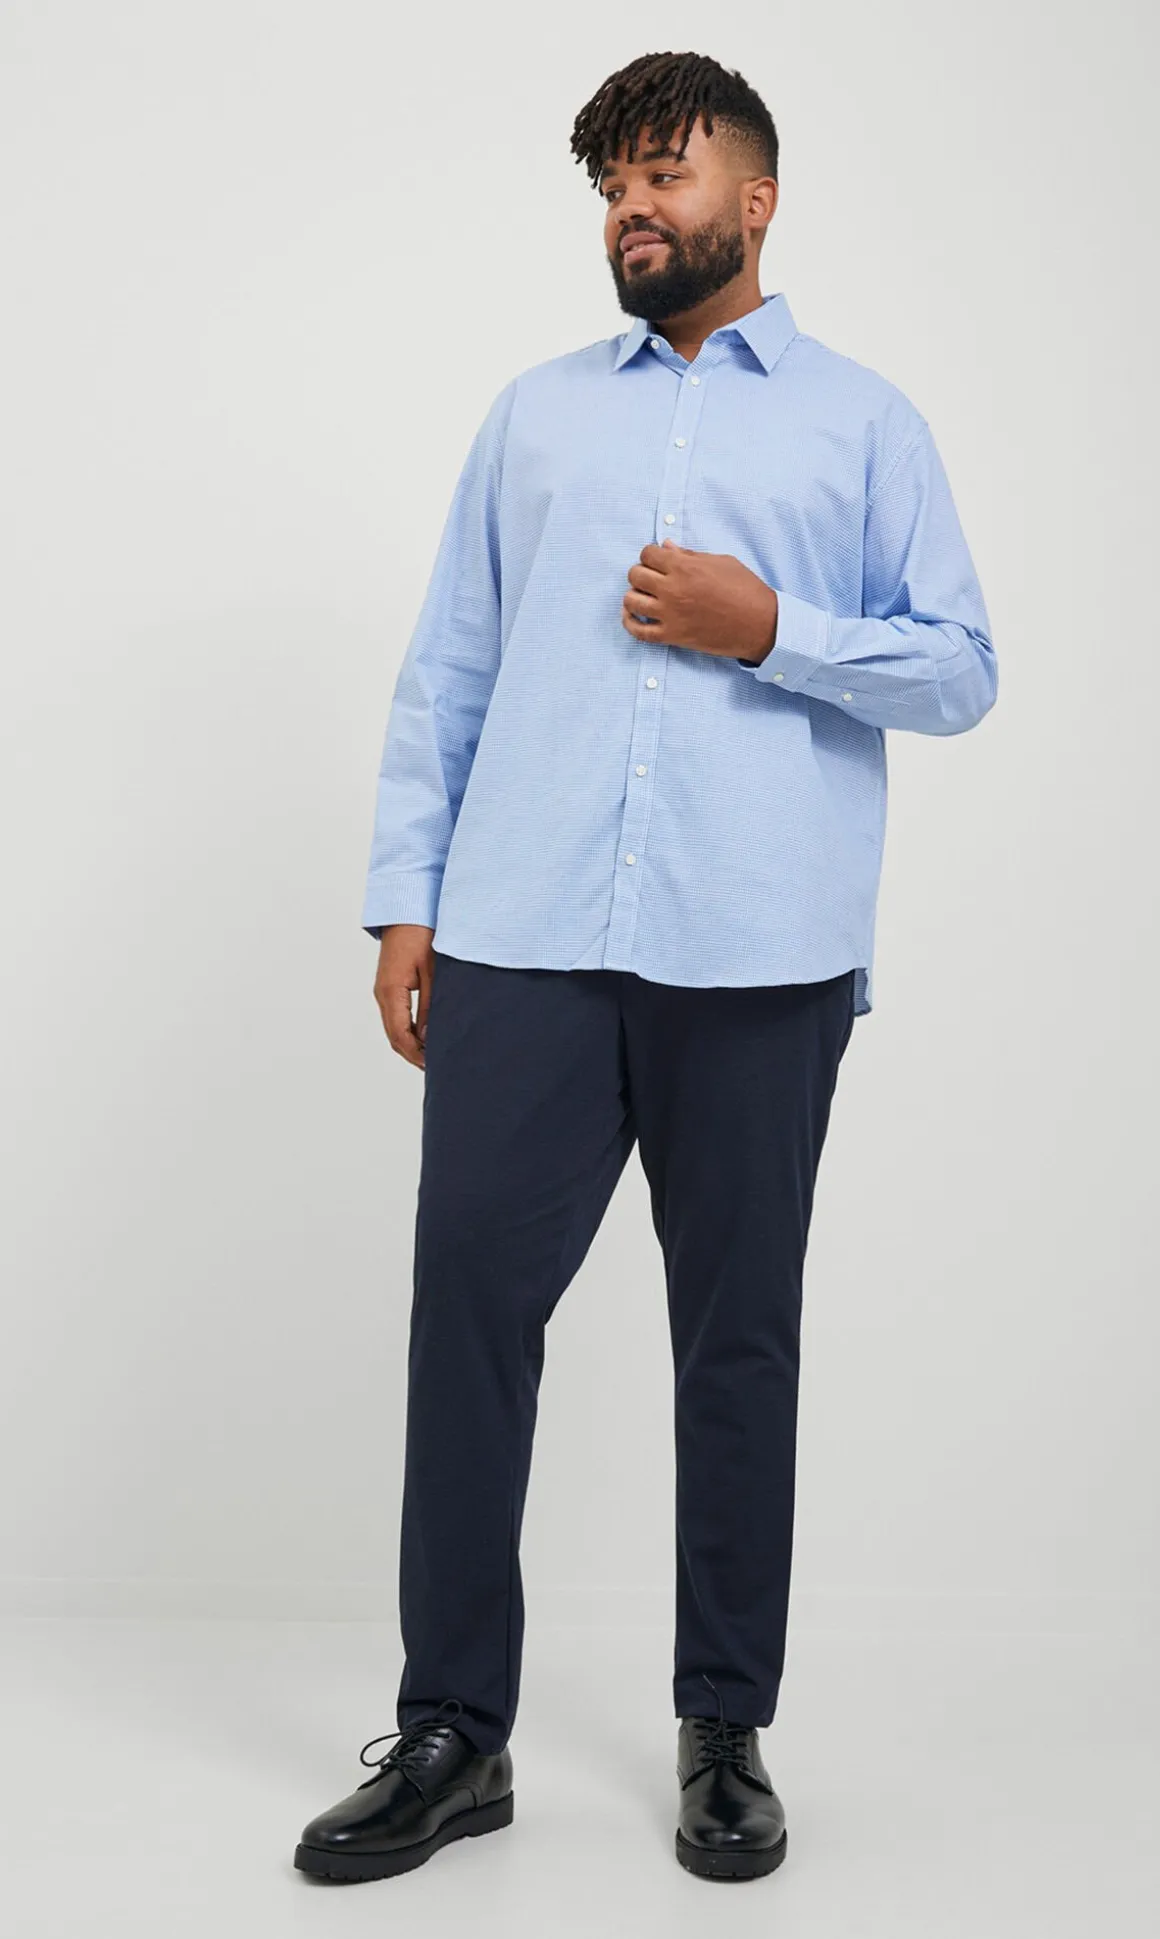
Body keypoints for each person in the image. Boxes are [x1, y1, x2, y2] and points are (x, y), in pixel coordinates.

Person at [294, 48, 997, 1887]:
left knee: (736, 1339)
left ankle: (724, 1729)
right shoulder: (534, 420)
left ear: (753, 202)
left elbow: (960, 667)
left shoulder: (864, 426)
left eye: (665, 176)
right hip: (523, 935)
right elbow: (449, 665)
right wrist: (406, 903)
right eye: (613, 182)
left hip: (758, 954)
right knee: (470, 1308)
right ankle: (454, 1731)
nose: (633, 209)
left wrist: (774, 630)